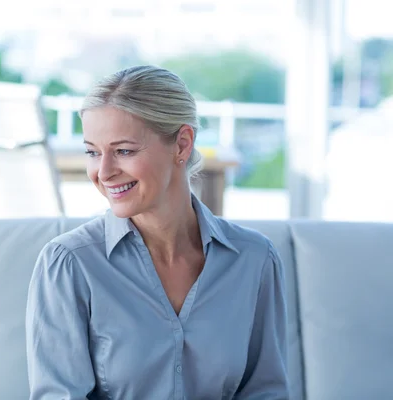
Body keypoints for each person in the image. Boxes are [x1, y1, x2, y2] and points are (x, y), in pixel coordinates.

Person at [25, 65, 289, 399]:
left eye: (123, 151)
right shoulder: (69, 265)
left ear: (182, 144)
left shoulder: (254, 260)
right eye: (93, 152)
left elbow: (265, 391)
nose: (103, 172)